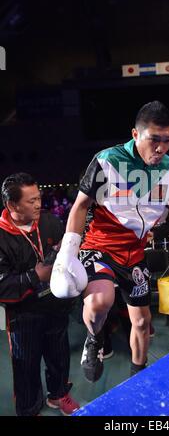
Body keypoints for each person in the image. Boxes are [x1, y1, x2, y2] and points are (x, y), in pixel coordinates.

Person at [50, 101, 169, 383]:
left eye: (167, 140)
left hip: (135, 252)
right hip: (100, 246)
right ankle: (94, 339)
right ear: (135, 134)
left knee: (143, 322)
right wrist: (68, 251)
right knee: (100, 301)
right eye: (154, 139)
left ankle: (137, 376)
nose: (161, 148)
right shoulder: (107, 160)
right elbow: (81, 205)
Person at [0, 173, 79, 416]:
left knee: (59, 354)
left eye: (39, 198)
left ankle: (58, 394)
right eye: (31, 201)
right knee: (26, 366)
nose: (38, 204)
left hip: (55, 305)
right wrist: (34, 276)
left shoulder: (49, 221)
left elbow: (62, 253)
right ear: (12, 205)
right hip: (23, 314)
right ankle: (29, 408)